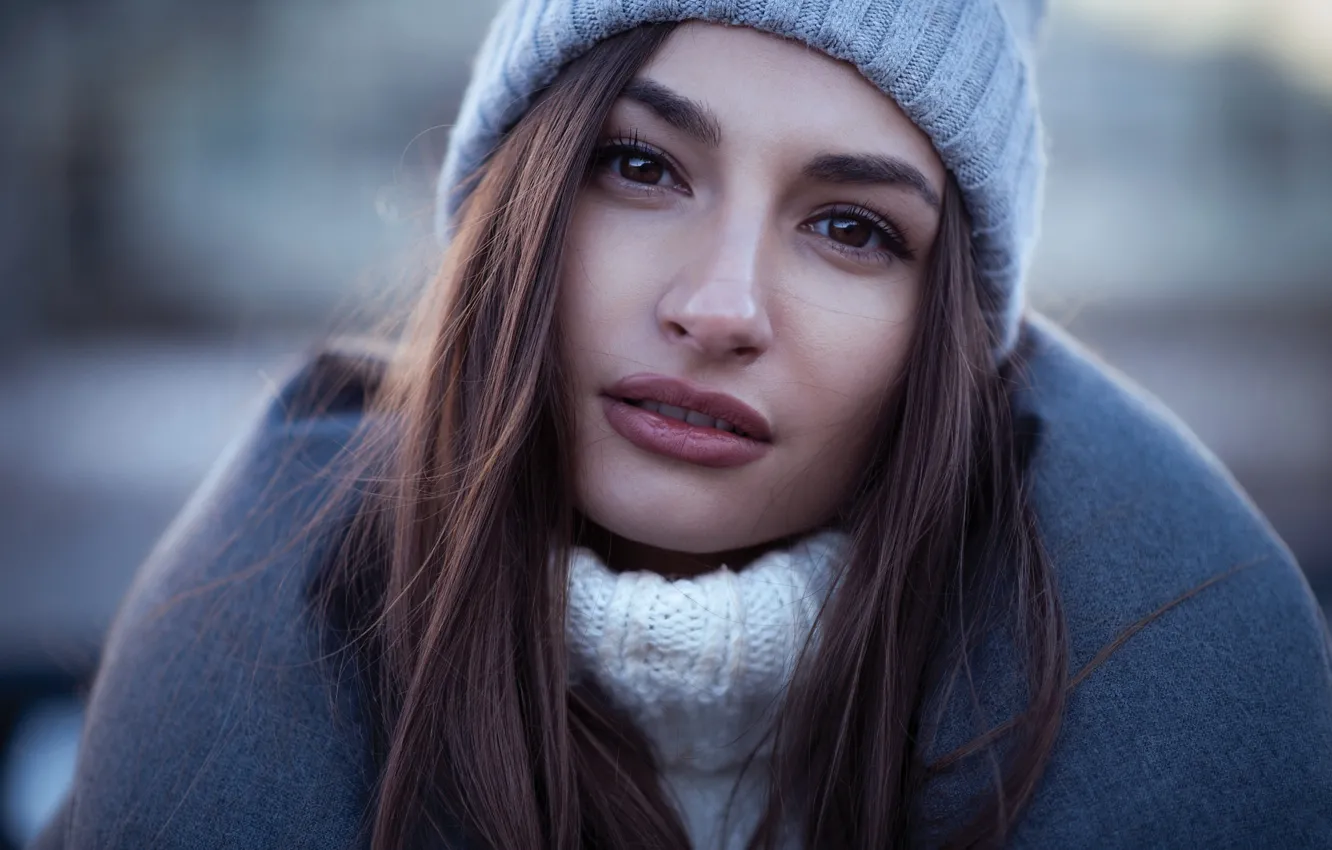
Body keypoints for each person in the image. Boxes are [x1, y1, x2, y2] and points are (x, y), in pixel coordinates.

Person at [30, 2, 1332, 849]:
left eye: (852, 229)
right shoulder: (219, 684)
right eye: (641, 166)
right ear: (516, 207)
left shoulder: (1174, 689)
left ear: (947, 337)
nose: (720, 309)